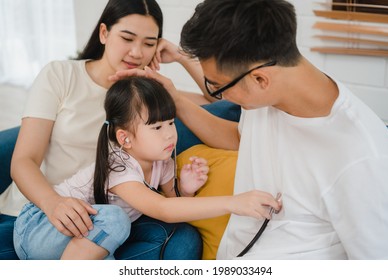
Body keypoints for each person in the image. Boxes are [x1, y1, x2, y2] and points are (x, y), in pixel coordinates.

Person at [110, 0, 388, 259]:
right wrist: (176, 100)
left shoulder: (362, 158)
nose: (215, 94)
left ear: (260, 79)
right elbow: (239, 139)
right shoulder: (266, 97)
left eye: (216, 86)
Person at [0, 0, 237, 260]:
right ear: (104, 33)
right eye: (127, 38)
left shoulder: (147, 95)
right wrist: (53, 203)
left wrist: (181, 56)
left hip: (106, 216)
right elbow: (23, 161)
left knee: (184, 241)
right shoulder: (60, 75)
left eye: (149, 43)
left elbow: (225, 101)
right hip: (44, 212)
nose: (137, 52)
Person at [13, 76, 278, 260]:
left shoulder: (162, 162)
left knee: (110, 244)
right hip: (40, 228)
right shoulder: (119, 166)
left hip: (83, 240)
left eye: (171, 123)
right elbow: (161, 208)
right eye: (157, 128)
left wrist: (184, 190)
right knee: (115, 221)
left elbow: (172, 207)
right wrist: (234, 202)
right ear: (124, 138)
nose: (170, 135)